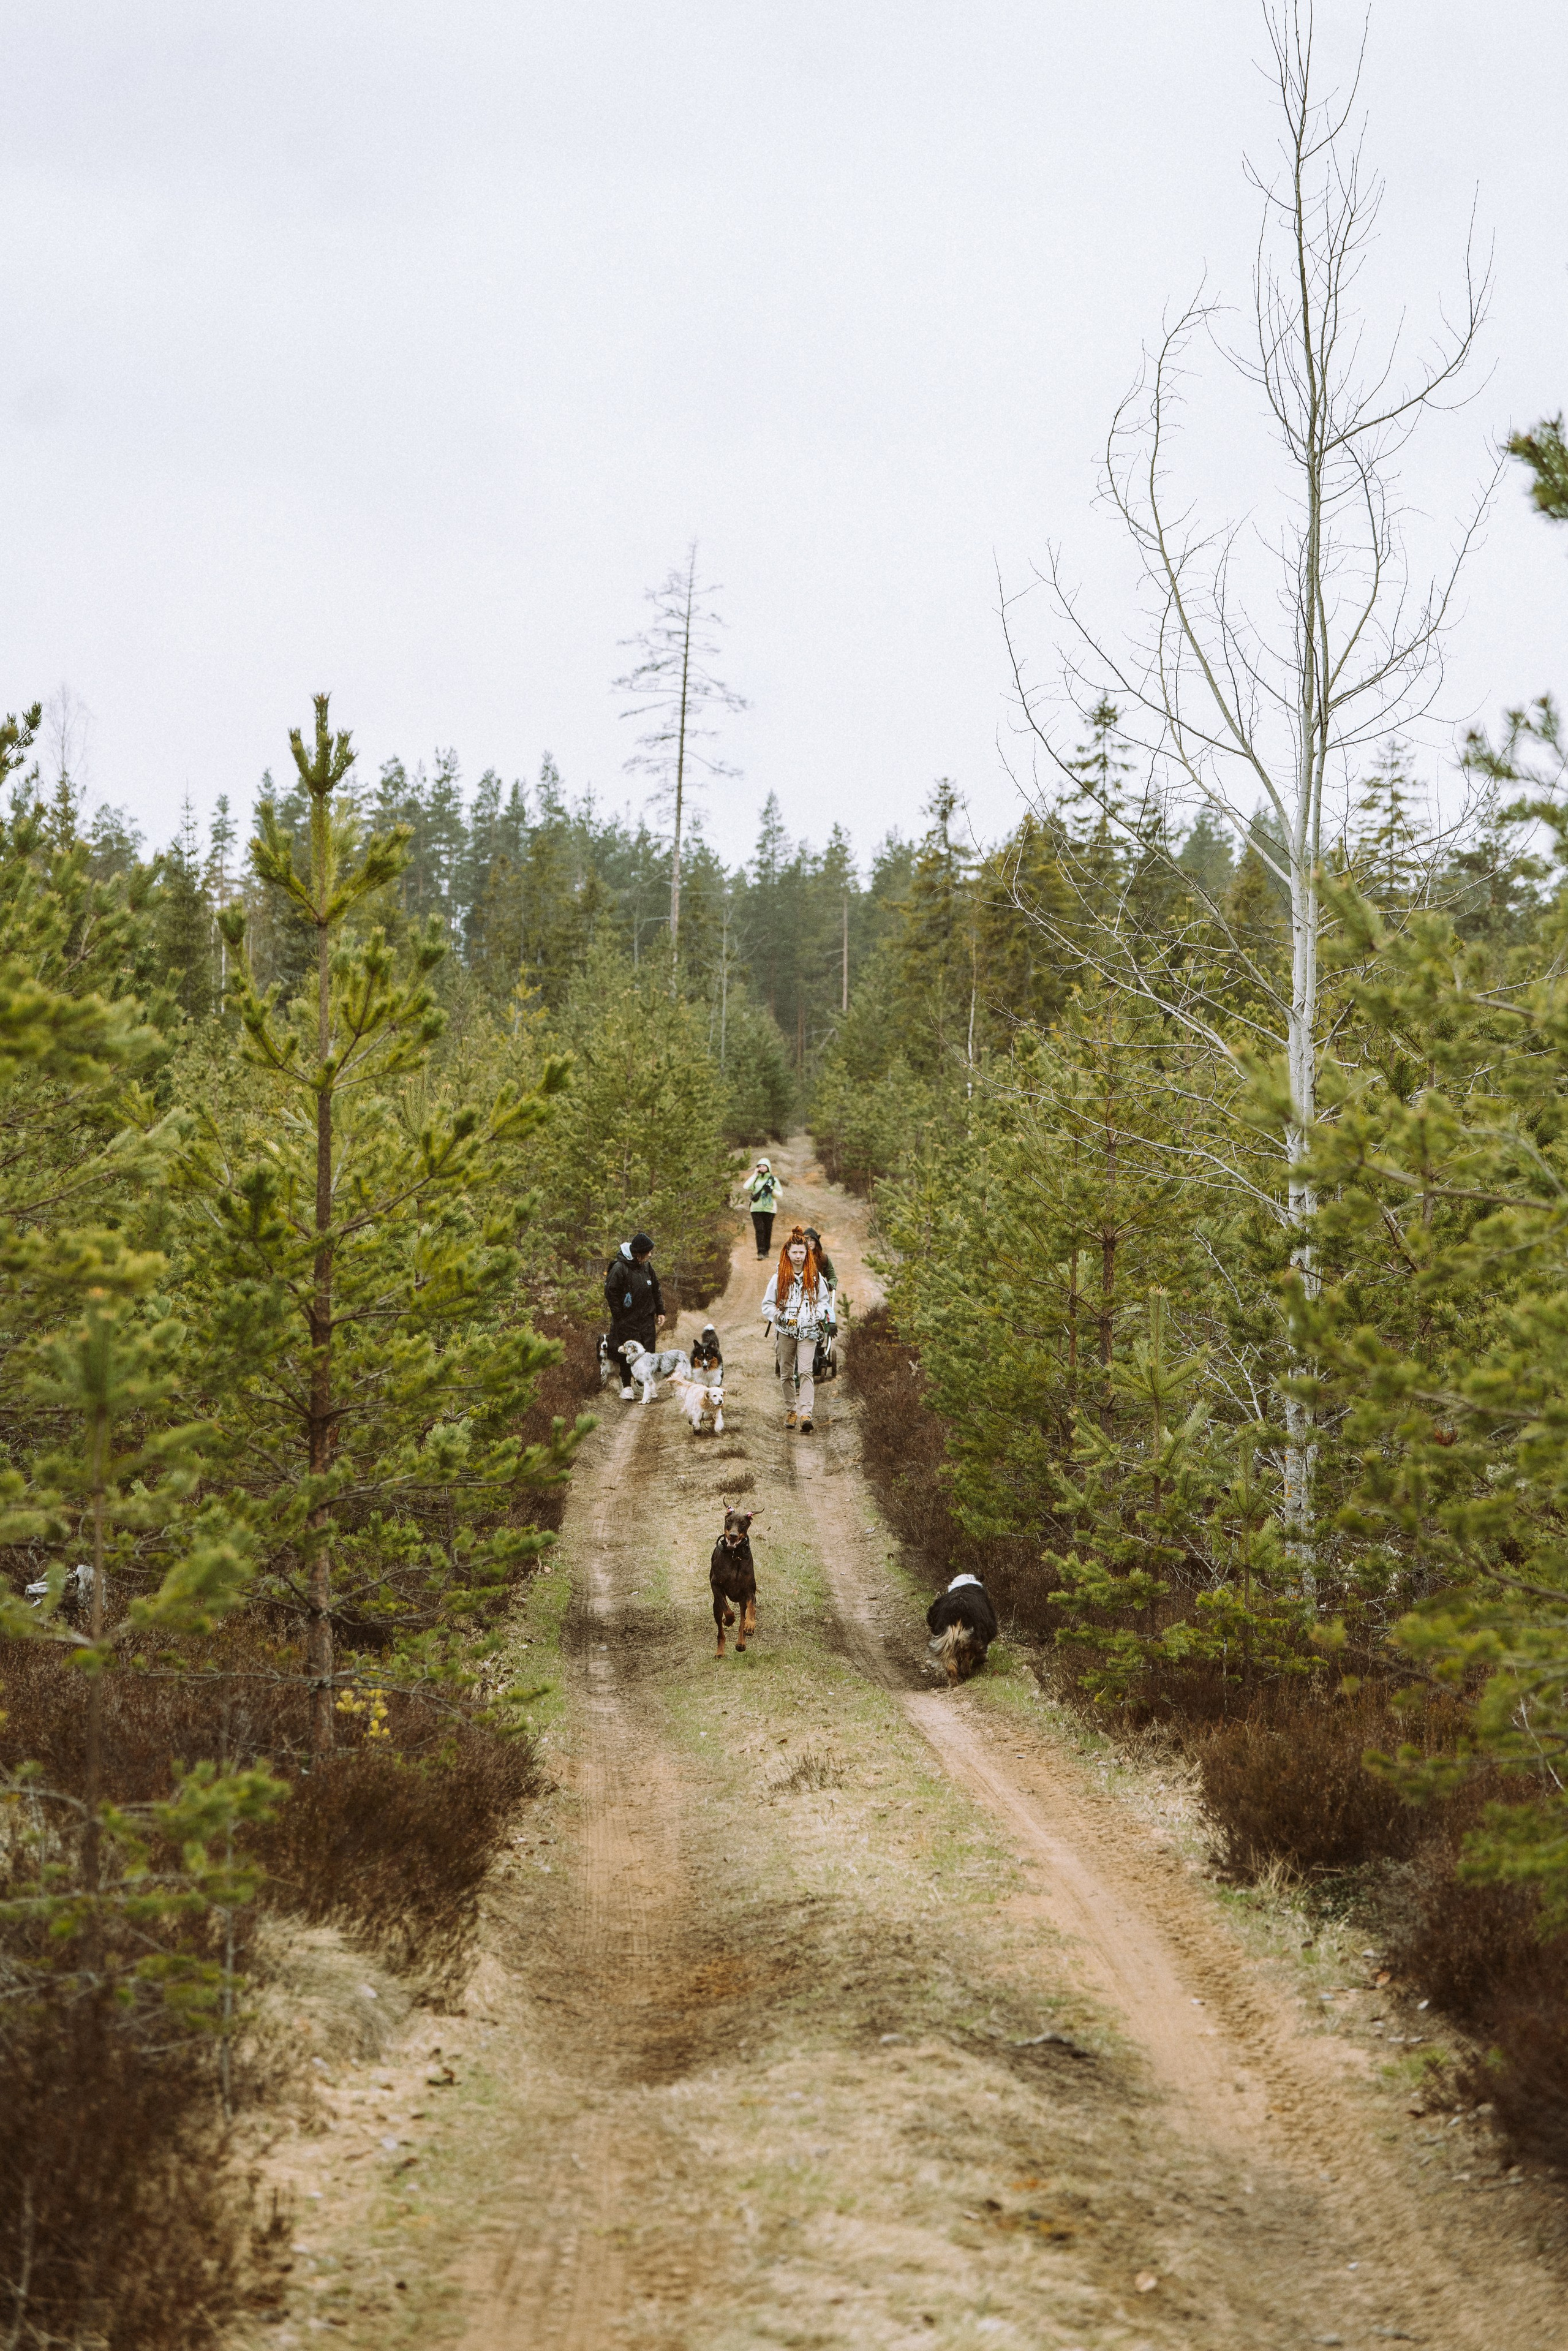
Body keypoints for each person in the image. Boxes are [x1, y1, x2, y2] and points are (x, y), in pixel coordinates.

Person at [761, 1225, 830, 1434]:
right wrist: (781, 1317)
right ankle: (791, 1410)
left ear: (807, 1253)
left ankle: (806, 1414)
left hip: (809, 1332)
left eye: (802, 1252)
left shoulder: (815, 1277)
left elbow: (824, 1302)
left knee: (807, 1371)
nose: (798, 1256)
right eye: (795, 1252)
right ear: (788, 1253)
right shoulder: (779, 1277)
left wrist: (814, 1316)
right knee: (786, 1373)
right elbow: (767, 1305)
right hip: (785, 1332)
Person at [603, 1232, 665, 1401]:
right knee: (627, 1354)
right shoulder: (619, 1268)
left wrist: (660, 1311)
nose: (650, 1255)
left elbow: (656, 1289)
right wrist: (619, 1316)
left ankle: (647, 1385)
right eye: (648, 1252)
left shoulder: (647, 1268)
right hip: (626, 1320)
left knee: (648, 1353)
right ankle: (626, 1387)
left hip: (646, 1319)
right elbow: (611, 1292)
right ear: (639, 1253)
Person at [745, 1157, 780, 1258]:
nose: (761, 1168)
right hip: (756, 1208)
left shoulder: (773, 1180)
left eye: (764, 1166)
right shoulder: (756, 1179)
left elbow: (780, 1194)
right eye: (759, 1166)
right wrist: (754, 1175)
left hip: (770, 1209)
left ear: (768, 1167)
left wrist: (772, 1191)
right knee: (759, 1230)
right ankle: (760, 1252)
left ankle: (766, 1251)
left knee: (767, 1229)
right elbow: (746, 1187)